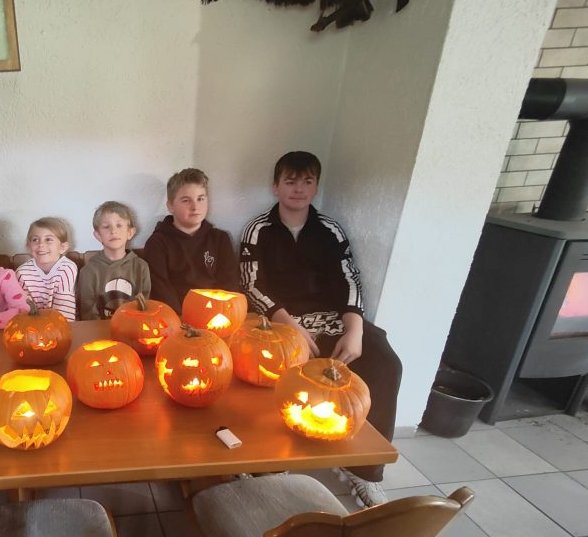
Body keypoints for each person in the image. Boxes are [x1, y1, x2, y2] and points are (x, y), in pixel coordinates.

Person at [239, 151, 402, 508]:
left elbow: (350, 280)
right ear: (276, 186)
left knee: (385, 360)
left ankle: (365, 470)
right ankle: (269, 463)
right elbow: (252, 284)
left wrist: (355, 328)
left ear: (315, 186)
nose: (298, 189)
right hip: (280, 322)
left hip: (331, 319)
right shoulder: (258, 229)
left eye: (307, 181)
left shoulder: (330, 230)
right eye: (291, 181)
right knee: (268, 365)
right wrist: (291, 327)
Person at [142, 168, 239, 312]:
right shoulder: (157, 243)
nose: (195, 207)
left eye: (200, 199)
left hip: (218, 313)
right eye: (186, 201)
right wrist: (181, 318)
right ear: (170, 206)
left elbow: (229, 283)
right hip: (177, 316)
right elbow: (161, 287)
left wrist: (220, 311)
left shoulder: (220, 239)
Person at [78, 200, 151, 319]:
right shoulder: (88, 271)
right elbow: (88, 312)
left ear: (130, 232)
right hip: (100, 331)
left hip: (134, 328)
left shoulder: (141, 267)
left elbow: (146, 306)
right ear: (98, 235)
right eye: (106, 227)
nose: (113, 231)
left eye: (119, 225)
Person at [15, 217, 78, 321]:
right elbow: (24, 309)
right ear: (29, 247)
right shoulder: (22, 273)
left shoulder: (67, 268)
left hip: (61, 324)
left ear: (62, 247)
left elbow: (65, 310)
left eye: (48, 239)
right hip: (33, 325)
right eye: (35, 239)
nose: (41, 245)